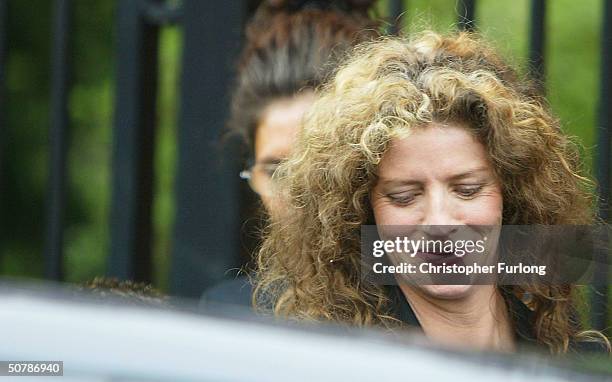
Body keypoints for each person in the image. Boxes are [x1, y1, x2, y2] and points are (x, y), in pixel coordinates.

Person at [253, 30, 611, 355]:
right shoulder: (326, 360)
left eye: (467, 190)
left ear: (512, 193)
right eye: (404, 197)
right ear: (361, 213)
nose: (440, 221)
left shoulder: (566, 351)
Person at [201, 0, 379, 305]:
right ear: (252, 174)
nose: (298, 193)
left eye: (320, 166)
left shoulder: (439, 290)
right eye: (276, 171)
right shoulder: (228, 315)